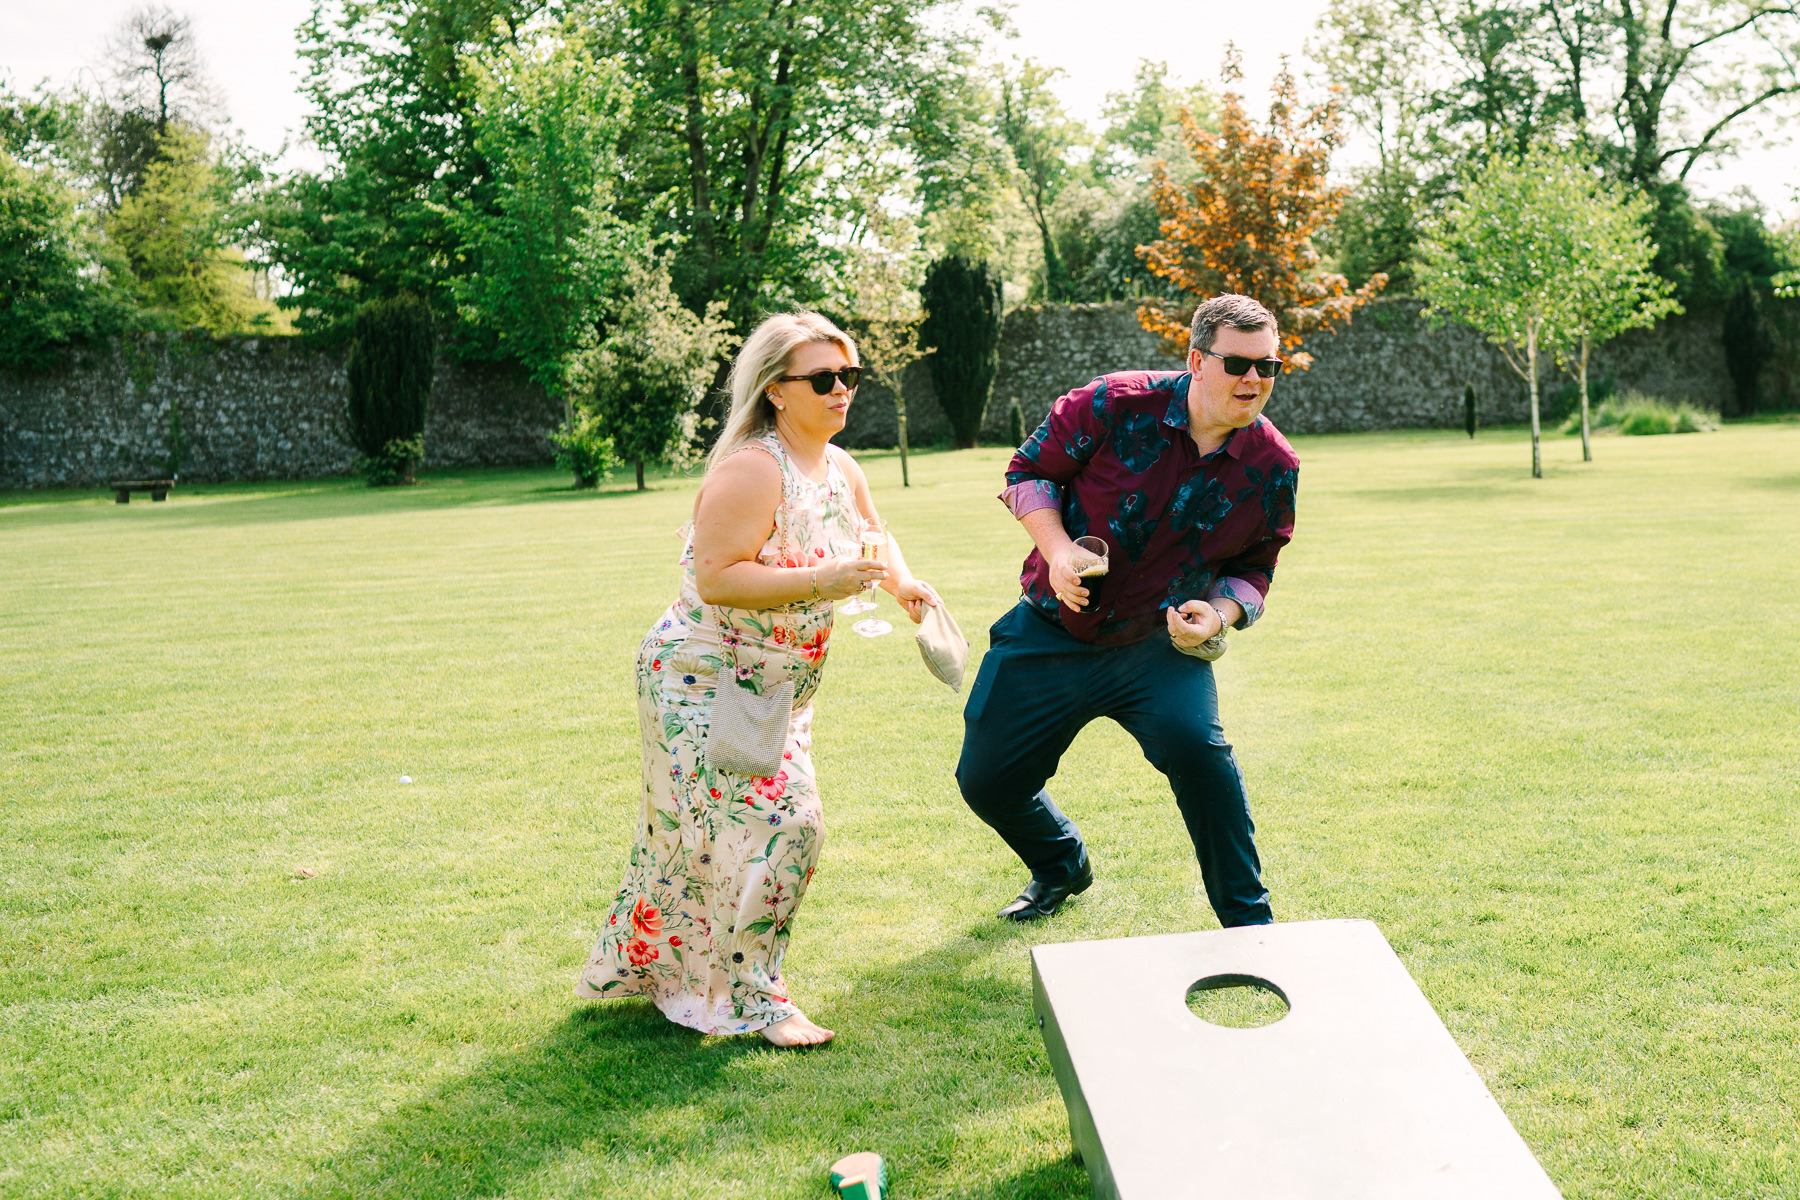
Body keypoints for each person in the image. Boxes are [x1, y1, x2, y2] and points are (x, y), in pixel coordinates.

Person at [576, 312, 939, 1047]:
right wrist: (826, 579)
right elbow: (716, 578)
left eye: (852, 377)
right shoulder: (753, 467)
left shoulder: (839, 465)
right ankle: (755, 1000)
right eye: (824, 379)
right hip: (704, 681)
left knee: (699, 840)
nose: (843, 391)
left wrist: (901, 583)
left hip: (776, 689)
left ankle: (655, 972)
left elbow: (876, 531)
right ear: (776, 390)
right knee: (784, 827)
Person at [955, 294, 1298, 927]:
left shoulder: (1273, 466)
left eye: (1269, 366)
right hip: (1052, 628)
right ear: (1197, 360)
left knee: (1201, 755)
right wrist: (1057, 552)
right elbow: (1029, 471)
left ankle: (1250, 925)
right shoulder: (1113, 402)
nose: (1254, 379)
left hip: (1158, 650)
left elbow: (1257, 566)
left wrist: (1220, 615)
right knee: (987, 781)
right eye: (1238, 364)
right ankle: (1061, 863)